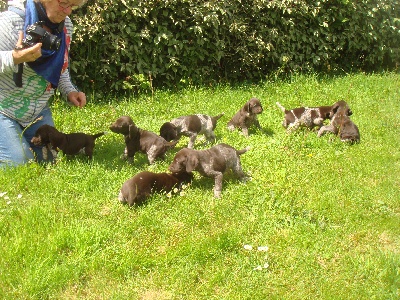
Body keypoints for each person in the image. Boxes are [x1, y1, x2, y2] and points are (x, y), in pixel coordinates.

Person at [0, 0, 87, 168]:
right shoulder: (10, 22)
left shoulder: (65, 26)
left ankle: (17, 139)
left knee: (51, 159)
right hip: (3, 109)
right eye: (64, 3)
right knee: (20, 164)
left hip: (36, 111)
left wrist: (69, 90)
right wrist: (15, 58)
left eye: (73, 7)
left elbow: (60, 65)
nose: (67, 11)